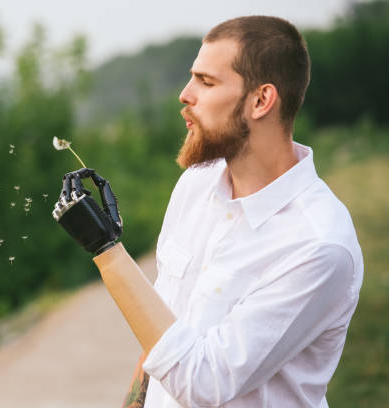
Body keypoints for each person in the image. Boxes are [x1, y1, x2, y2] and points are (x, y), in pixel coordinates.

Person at [53, 15, 363, 408]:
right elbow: (161, 338)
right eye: (191, 77)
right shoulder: (196, 184)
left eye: (207, 81)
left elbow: (203, 382)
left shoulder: (318, 245)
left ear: (261, 100)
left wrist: (105, 250)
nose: (185, 94)